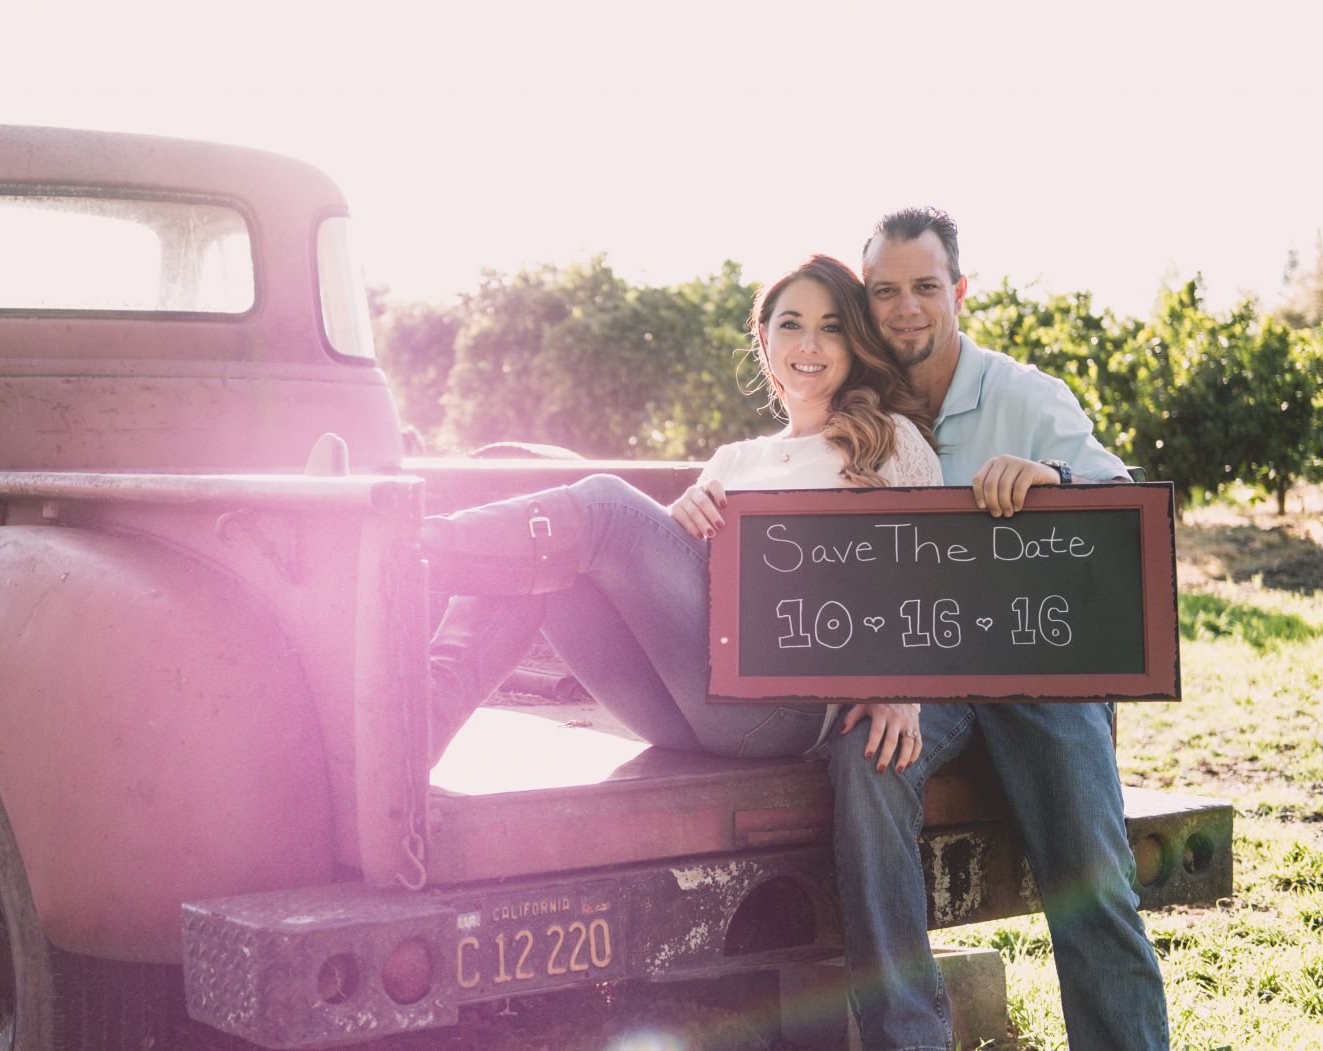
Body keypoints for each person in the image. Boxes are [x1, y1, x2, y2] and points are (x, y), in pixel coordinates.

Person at [826, 207, 1169, 1051]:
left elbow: (1120, 513)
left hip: (1038, 672)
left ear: (959, 292)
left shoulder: (1024, 392)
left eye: (924, 287)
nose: (905, 308)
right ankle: (908, 1036)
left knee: (1093, 881)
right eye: (883, 291)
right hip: (928, 682)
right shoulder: (862, 410)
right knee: (861, 759)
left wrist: (1051, 476)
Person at [423, 254, 942, 766]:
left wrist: (903, 689)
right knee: (538, 563)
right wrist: (679, 520)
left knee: (605, 502)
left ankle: (411, 551)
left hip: (784, 708)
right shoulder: (733, 460)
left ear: (854, 342)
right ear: (765, 339)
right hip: (681, 711)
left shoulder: (888, 440)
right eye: (791, 324)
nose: (809, 343)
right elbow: (681, 603)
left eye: (831, 327)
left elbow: (933, 579)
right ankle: (418, 731)